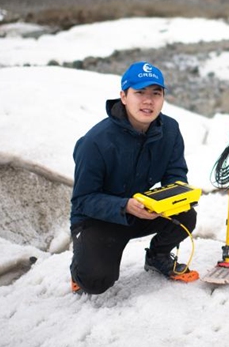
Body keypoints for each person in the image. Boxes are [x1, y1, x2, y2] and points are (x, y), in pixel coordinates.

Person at [69, 61, 198, 295]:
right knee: (95, 282)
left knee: (186, 215)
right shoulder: (96, 142)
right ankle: (80, 266)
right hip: (99, 219)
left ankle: (157, 256)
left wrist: (171, 200)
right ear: (124, 96)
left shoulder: (169, 129)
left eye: (155, 93)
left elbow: (175, 173)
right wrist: (124, 206)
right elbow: (82, 200)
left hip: (143, 210)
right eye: (140, 92)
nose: (148, 101)